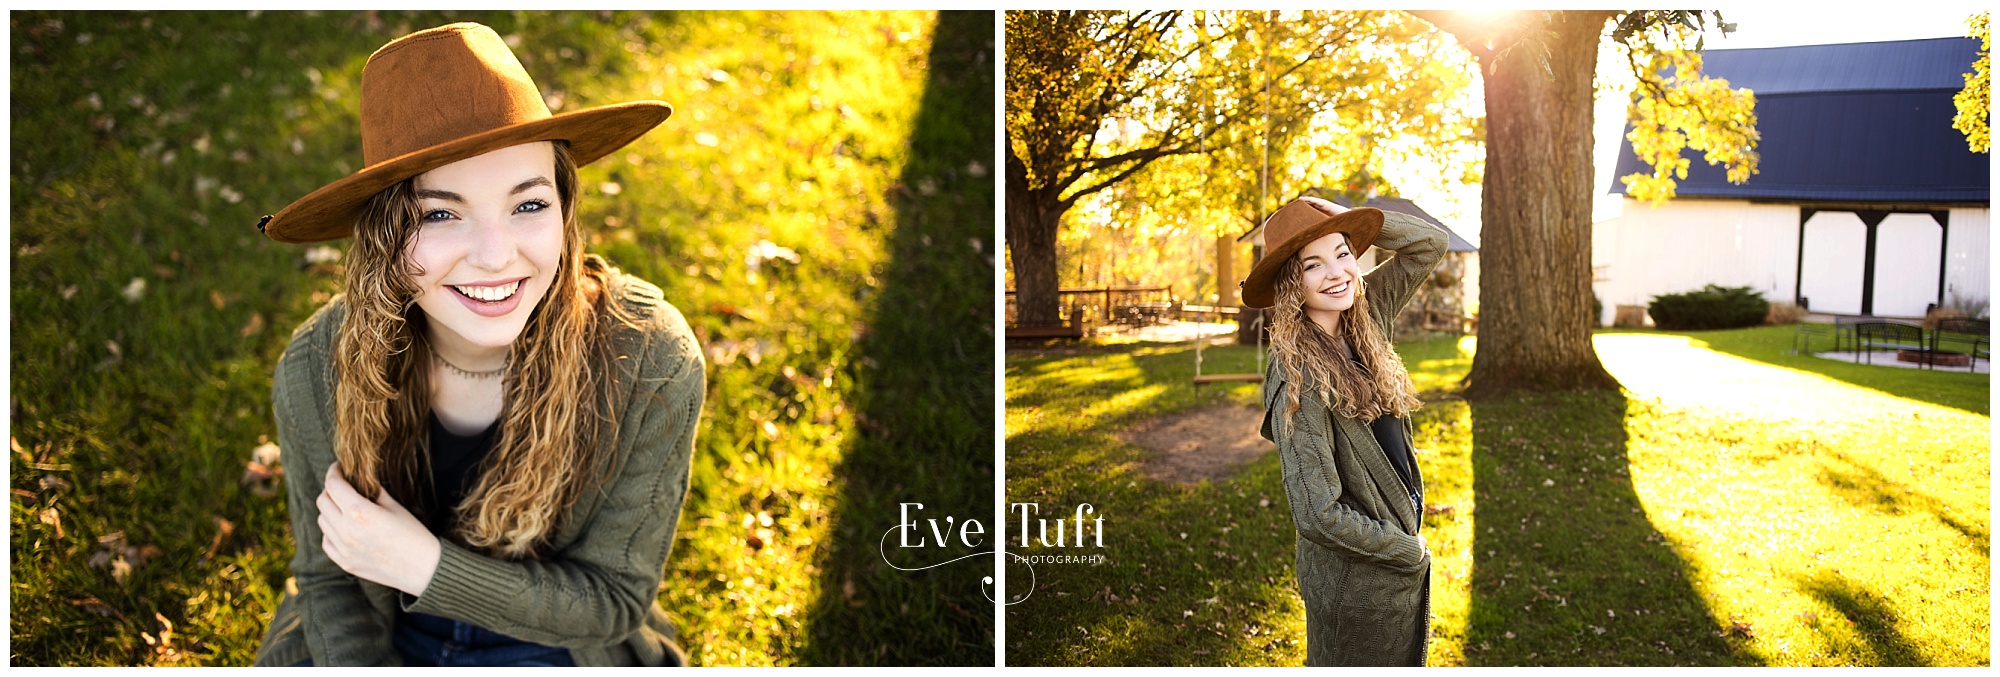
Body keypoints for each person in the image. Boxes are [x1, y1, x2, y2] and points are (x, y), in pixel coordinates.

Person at [251, 23, 703, 667]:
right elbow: (330, 582)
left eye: (528, 205)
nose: (497, 258)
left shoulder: (648, 361)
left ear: (565, 207)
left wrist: (423, 565)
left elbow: (611, 603)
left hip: (560, 642)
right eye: (439, 213)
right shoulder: (319, 367)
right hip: (387, 634)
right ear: (383, 236)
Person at [1242, 196, 1448, 666]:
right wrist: (1405, 550)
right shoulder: (1298, 374)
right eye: (1313, 264)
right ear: (1292, 283)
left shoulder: (1366, 315)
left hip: (1394, 560)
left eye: (1342, 253)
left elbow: (1428, 244)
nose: (1337, 272)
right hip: (1358, 582)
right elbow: (1317, 513)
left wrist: (1350, 217)